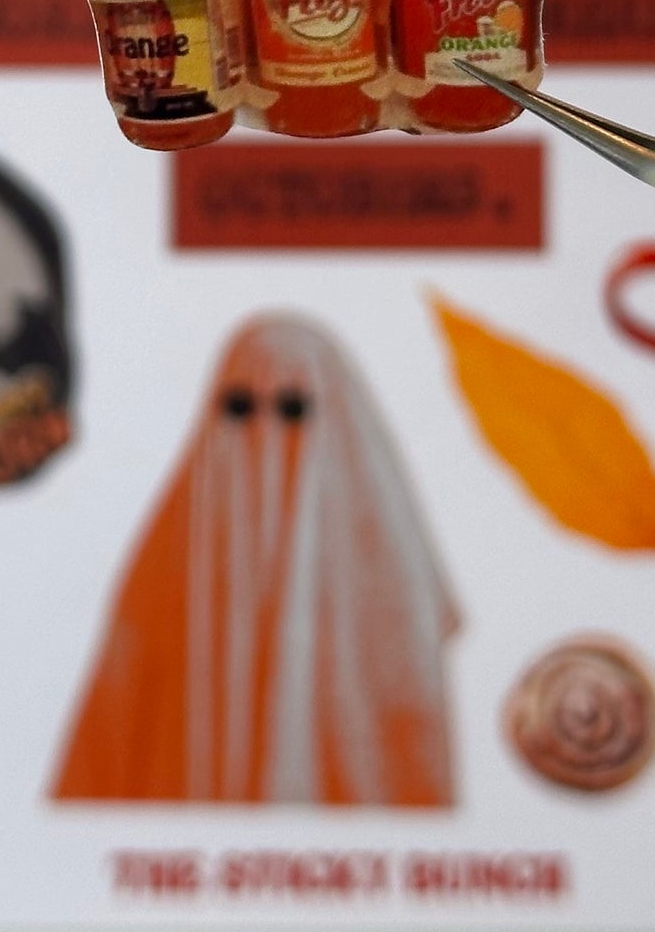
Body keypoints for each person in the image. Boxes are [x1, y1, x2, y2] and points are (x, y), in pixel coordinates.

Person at [50, 314, 459, 806]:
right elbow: (105, 747)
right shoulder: (165, 567)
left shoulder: (394, 589)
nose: (266, 432)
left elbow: (413, 758)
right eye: (241, 407)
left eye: (292, 409)